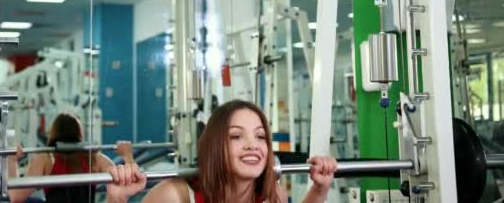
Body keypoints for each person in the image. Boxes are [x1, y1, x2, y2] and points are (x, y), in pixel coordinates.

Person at [106, 100, 337, 203]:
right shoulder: (174, 196)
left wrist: (320, 187)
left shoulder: (272, 195)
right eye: (236, 136)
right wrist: (116, 200)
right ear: (216, 147)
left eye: (260, 136)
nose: (252, 145)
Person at [8, 113, 131, 203]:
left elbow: (15, 197)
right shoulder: (94, 158)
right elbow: (123, 182)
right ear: (80, 134)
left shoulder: (45, 159)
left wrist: (12, 160)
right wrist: (127, 155)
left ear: (54, 133)